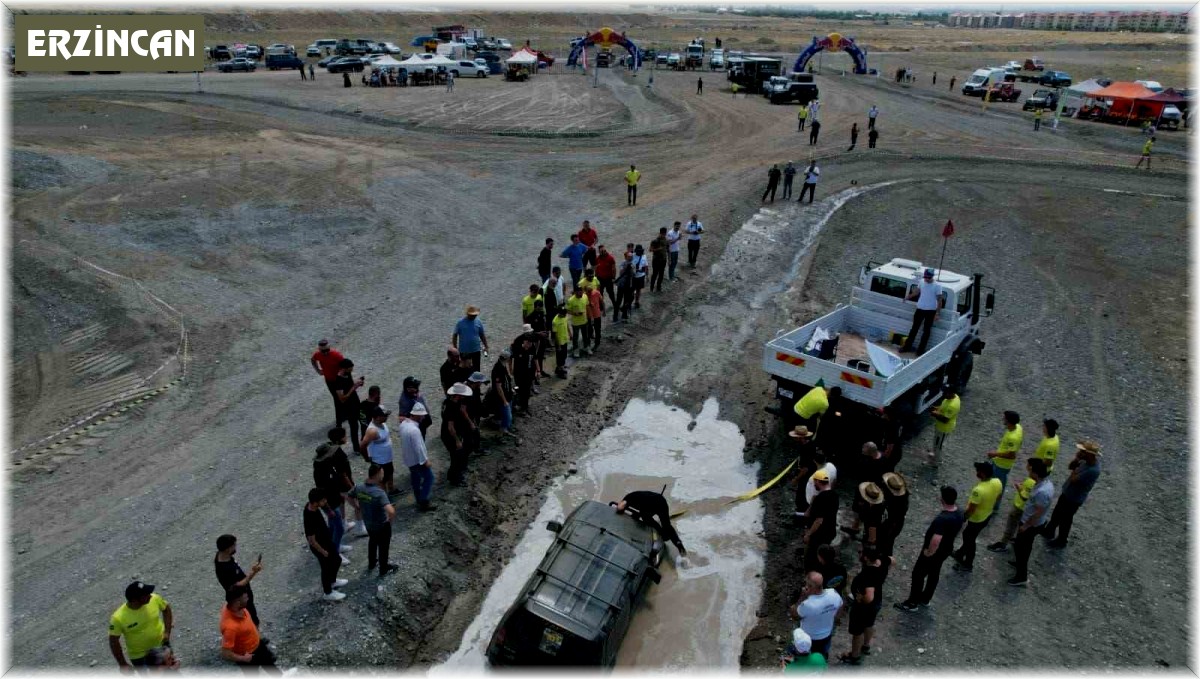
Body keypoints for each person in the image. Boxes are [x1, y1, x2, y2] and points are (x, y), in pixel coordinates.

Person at [894, 486, 964, 611]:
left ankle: (912, 602)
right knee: (934, 573)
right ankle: (925, 598)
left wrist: (928, 552)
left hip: (934, 552)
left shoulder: (942, 519)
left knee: (918, 574)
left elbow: (936, 539)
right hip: (946, 549)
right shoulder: (959, 512)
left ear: (942, 499)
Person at [840, 545, 894, 665]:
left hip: (864, 608)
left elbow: (869, 597)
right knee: (869, 624)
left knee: (857, 631)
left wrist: (861, 599)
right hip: (877, 602)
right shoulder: (882, 561)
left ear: (867, 558)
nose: (859, 555)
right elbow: (893, 560)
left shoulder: (868, 575)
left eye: (861, 553)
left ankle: (854, 656)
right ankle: (866, 645)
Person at [1044, 440, 1102, 548]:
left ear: (1089, 454)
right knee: (1057, 513)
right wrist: (1076, 459)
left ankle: (1061, 540)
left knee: (1066, 519)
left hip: (1074, 498)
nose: (1080, 452)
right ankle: (1049, 531)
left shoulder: (1093, 470)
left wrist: (1075, 470)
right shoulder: (1085, 461)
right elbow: (1071, 467)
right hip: (1067, 492)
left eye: (1082, 451)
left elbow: (1074, 479)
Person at [109, 581, 173, 669]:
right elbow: (113, 641)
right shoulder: (118, 618)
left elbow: (166, 608)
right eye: (146, 595)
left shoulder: (154, 599)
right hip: (141, 657)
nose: (150, 595)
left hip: (162, 646)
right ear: (135, 600)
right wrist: (122, 664)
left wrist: (167, 632)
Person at [314, 427, 357, 559]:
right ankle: (335, 552)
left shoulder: (327, 466)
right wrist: (328, 508)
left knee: (334, 527)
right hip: (330, 503)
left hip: (334, 500)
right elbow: (323, 491)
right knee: (337, 528)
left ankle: (336, 546)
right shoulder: (321, 472)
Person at [951, 462, 1002, 572]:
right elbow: (998, 496)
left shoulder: (978, 490)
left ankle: (968, 563)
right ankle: (960, 553)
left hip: (976, 519)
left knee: (969, 539)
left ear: (982, 474)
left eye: (978, 471)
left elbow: (972, 509)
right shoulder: (997, 482)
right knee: (970, 536)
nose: (976, 472)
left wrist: (964, 517)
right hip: (987, 515)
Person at [1010, 458, 1053, 586]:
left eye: (1029, 469)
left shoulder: (1041, 492)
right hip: (1033, 522)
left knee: (1022, 548)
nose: (1028, 471)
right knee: (1023, 546)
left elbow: (1038, 511)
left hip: (1031, 524)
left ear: (1035, 473)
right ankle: (1018, 564)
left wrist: (1027, 525)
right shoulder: (1045, 484)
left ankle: (1021, 577)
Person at [353, 464, 400, 576]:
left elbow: (350, 496)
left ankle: (372, 563)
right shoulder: (379, 493)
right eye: (382, 473)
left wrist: (356, 506)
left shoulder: (359, 487)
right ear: (377, 474)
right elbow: (391, 511)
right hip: (381, 524)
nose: (383, 475)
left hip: (368, 523)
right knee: (383, 547)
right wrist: (390, 520)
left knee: (373, 541)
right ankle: (383, 569)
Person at [986, 459, 1039, 554]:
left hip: (1019, 507)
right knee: (1016, 526)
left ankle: (1003, 544)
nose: (1026, 466)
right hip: (1024, 509)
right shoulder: (1036, 482)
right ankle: (1014, 540)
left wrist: (1019, 488)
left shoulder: (1031, 481)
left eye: (1027, 464)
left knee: (1010, 526)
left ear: (1031, 467)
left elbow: (1024, 497)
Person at [219, 586, 278, 671]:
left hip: (258, 645)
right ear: (237, 602)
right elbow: (225, 653)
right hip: (248, 655)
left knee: (271, 667)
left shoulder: (233, 606)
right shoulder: (230, 628)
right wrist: (243, 659)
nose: (248, 598)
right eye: (245, 598)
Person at [303, 488, 347, 601]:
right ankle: (328, 592)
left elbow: (325, 506)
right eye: (322, 500)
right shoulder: (309, 517)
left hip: (326, 541)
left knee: (337, 560)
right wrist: (323, 552)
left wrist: (329, 511)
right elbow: (311, 540)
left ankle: (333, 581)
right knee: (326, 568)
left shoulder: (313, 505)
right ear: (315, 502)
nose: (325, 501)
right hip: (320, 546)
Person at [613, 489, 687, 555]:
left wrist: (622, 510)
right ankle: (678, 542)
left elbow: (620, 508)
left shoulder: (628, 499)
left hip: (648, 506)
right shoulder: (632, 497)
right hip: (661, 501)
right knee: (667, 525)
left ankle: (660, 533)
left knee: (646, 518)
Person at [790, 571, 841, 660]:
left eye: (806, 584)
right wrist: (835, 618)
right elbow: (841, 604)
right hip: (827, 634)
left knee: (809, 658)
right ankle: (822, 665)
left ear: (810, 587)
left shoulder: (807, 604)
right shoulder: (834, 594)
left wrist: (802, 597)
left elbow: (794, 615)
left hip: (809, 638)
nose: (805, 586)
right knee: (822, 654)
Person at [214, 535, 263, 626]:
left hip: (240, 594)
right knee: (251, 616)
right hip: (239, 596)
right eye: (233, 546)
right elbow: (239, 585)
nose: (235, 547)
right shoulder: (225, 569)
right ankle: (255, 637)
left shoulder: (222, 556)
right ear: (228, 549)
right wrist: (254, 572)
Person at [399, 404, 437, 510]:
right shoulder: (414, 430)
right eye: (422, 415)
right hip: (417, 460)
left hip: (409, 459)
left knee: (415, 478)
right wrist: (425, 461)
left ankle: (418, 498)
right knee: (429, 478)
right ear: (417, 415)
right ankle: (423, 501)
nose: (423, 417)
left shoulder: (403, 424)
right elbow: (418, 448)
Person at [899, 269, 944, 354]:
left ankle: (920, 350)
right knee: (914, 329)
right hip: (919, 309)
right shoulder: (921, 282)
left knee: (926, 331)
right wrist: (907, 297)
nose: (926, 279)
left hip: (931, 311)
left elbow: (940, 300)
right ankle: (906, 347)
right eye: (925, 277)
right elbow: (916, 292)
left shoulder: (937, 286)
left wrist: (937, 313)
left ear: (932, 277)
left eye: (928, 277)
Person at [986, 410, 1023, 505]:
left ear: (1009, 421)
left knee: (997, 486)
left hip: (1001, 465)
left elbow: (1011, 455)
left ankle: (994, 506)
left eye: (1004, 418)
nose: (1003, 419)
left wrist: (995, 454)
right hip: (1000, 463)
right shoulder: (1018, 427)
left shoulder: (1013, 437)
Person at [803, 469, 838, 569]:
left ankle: (813, 573)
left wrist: (808, 534)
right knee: (824, 554)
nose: (814, 484)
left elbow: (819, 520)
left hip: (819, 534)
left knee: (813, 556)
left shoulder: (821, 498)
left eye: (815, 482)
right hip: (830, 531)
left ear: (818, 481)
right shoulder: (834, 495)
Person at [443, 383, 475, 485]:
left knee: (458, 455)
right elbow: (450, 427)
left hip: (449, 433)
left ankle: (455, 474)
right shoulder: (451, 407)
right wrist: (457, 440)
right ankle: (454, 479)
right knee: (456, 457)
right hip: (450, 435)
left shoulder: (447, 402)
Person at [332, 358, 365, 455]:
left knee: (364, 423)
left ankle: (364, 443)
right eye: (350, 368)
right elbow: (342, 398)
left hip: (356, 403)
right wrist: (354, 387)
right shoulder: (338, 381)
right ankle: (356, 448)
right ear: (344, 368)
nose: (352, 370)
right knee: (354, 427)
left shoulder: (347, 374)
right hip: (349, 408)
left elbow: (351, 385)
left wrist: (358, 383)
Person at [360, 406, 396, 493]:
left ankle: (391, 489)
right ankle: (385, 499)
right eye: (385, 415)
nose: (387, 417)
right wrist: (366, 458)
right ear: (378, 417)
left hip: (387, 457)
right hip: (379, 460)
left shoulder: (382, 423)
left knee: (390, 472)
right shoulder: (372, 431)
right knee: (381, 480)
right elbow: (362, 446)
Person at [310, 339, 346, 422]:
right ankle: (343, 416)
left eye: (327, 350)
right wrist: (318, 370)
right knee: (336, 398)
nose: (325, 352)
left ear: (329, 347)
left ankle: (343, 416)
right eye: (323, 351)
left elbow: (345, 365)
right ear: (319, 350)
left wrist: (340, 375)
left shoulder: (336, 355)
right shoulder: (317, 355)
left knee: (340, 397)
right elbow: (313, 360)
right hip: (329, 380)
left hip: (338, 380)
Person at [879, 472, 908, 558]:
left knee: (886, 543)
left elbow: (894, 520)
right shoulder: (903, 496)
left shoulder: (897, 503)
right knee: (888, 543)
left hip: (891, 525)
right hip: (894, 523)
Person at [928, 386, 960, 465]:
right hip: (939, 427)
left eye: (946, 393)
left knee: (939, 446)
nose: (943, 394)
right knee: (936, 442)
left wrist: (934, 414)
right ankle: (934, 455)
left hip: (943, 429)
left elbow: (945, 420)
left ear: (951, 393)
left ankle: (936, 462)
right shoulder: (953, 397)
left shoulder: (952, 405)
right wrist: (937, 408)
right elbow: (943, 407)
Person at [452, 305, 489, 372]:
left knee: (477, 369)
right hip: (464, 351)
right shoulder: (460, 323)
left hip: (476, 350)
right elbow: (455, 335)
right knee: (464, 369)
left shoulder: (478, 321)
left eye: (475, 315)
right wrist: (455, 348)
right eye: (472, 315)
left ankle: (477, 382)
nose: (474, 316)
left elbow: (482, 334)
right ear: (467, 314)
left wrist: (486, 346)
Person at [565, 286, 591, 358]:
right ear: (575, 292)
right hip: (575, 323)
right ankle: (576, 350)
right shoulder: (571, 300)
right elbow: (567, 310)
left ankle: (586, 347)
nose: (581, 293)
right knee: (575, 337)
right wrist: (574, 313)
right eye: (579, 292)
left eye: (582, 291)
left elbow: (587, 306)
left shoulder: (585, 296)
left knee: (586, 335)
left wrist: (589, 316)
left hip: (584, 320)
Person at [613, 251, 634, 323]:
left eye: (631, 257)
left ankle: (624, 315)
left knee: (627, 300)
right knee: (618, 301)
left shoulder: (633, 264)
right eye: (629, 257)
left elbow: (633, 274)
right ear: (626, 257)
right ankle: (615, 316)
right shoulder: (623, 263)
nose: (630, 258)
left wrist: (632, 268)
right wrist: (626, 266)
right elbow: (621, 272)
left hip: (628, 285)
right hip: (622, 285)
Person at [649, 227, 668, 291]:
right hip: (656, 260)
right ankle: (651, 287)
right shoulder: (655, 241)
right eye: (663, 234)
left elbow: (666, 248)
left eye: (664, 234)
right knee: (655, 274)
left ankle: (658, 287)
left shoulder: (665, 239)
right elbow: (650, 250)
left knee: (661, 274)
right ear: (661, 233)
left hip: (663, 259)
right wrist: (658, 249)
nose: (664, 235)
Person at [587, 283, 605, 352]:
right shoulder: (585, 295)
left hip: (597, 315)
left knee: (598, 330)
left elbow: (602, 301)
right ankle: (588, 345)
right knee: (589, 331)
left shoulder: (597, 293)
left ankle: (597, 343)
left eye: (590, 290)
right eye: (588, 291)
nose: (589, 292)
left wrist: (604, 311)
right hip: (589, 316)